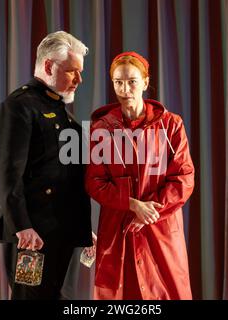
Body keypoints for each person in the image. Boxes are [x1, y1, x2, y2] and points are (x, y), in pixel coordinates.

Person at [0, 31, 93, 300]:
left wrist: (83, 227)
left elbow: (69, 179)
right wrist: (22, 226)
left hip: (65, 235)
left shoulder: (63, 113)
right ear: (48, 66)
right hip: (32, 239)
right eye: (72, 71)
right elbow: (7, 175)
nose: (79, 80)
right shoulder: (19, 107)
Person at [85, 52, 195, 300]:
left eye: (132, 81)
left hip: (160, 228)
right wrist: (133, 205)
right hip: (118, 229)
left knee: (166, 292)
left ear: (146, 82)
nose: (125, 89)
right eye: (118, 82)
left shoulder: (171, 125)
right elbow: (94, 182)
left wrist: (149, 213)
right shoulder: (102, 129)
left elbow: (184, 177)